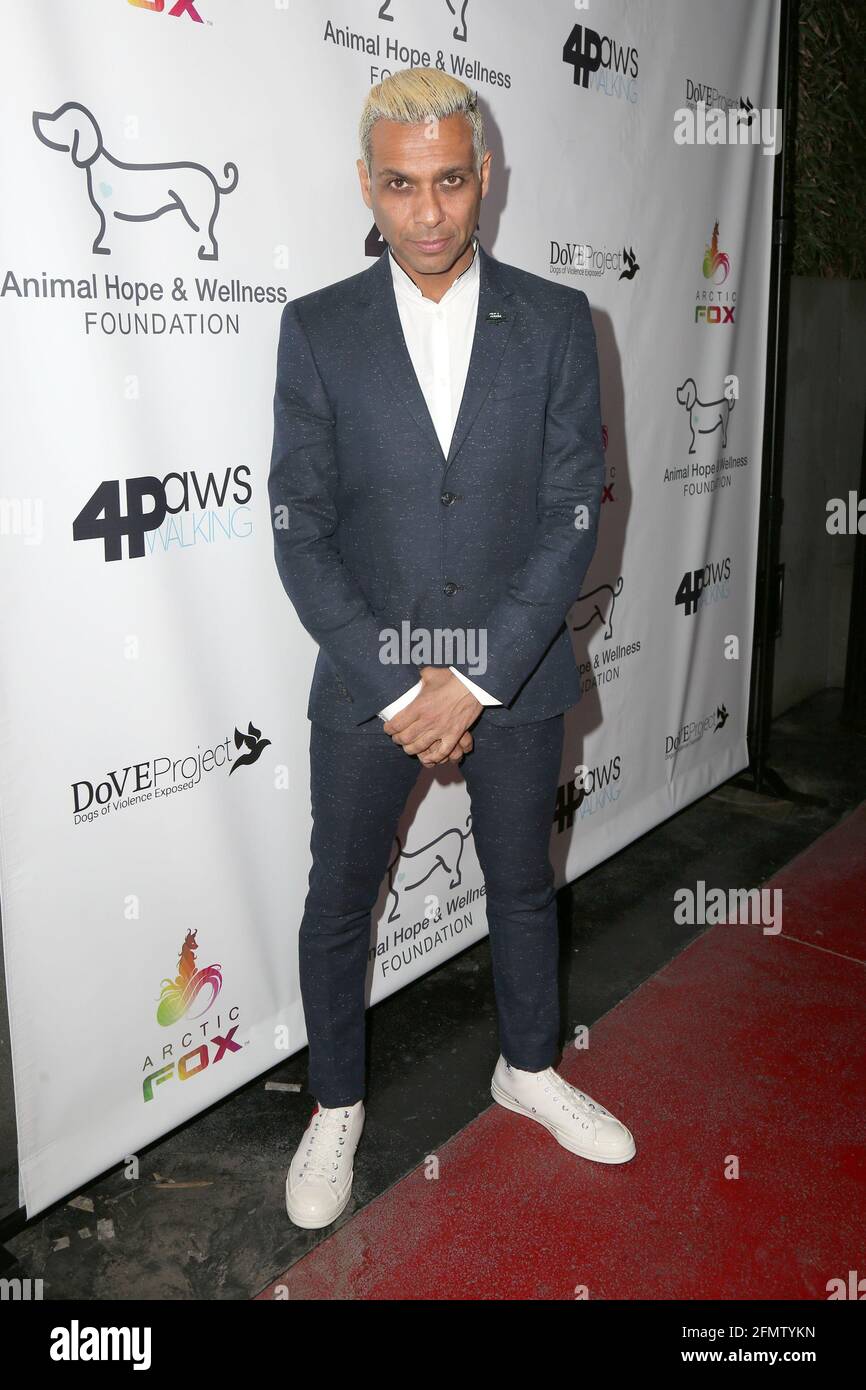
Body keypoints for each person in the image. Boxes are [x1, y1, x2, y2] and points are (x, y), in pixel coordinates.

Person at [267, 67, 635, 1231]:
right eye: (400, 185)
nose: (427, 213)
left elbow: (573, 506)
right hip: (368, 680)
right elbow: (301, 529)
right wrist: (399, 683)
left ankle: (527, 1065)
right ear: (365, 186)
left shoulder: (557, 320)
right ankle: (335, 1100)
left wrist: (473, 675)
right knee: (338, 899)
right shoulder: (316, 329)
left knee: (522, 885)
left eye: (450, 182)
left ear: (484, 178)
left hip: (512, 668)